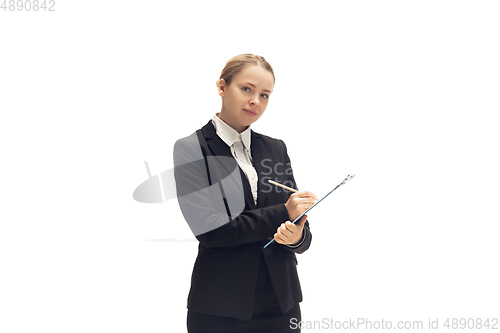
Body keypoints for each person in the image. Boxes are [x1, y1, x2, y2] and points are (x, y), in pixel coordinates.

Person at [173, 54, 317, 332]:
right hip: (220, 307)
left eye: (265, 95)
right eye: (247, 89)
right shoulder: (192, 149)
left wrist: (297, 236)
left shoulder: (276, 149)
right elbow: (211, 230)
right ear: (222, 87)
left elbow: (302, 228)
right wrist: (283, 211)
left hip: (281, 304)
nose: (256, 101)